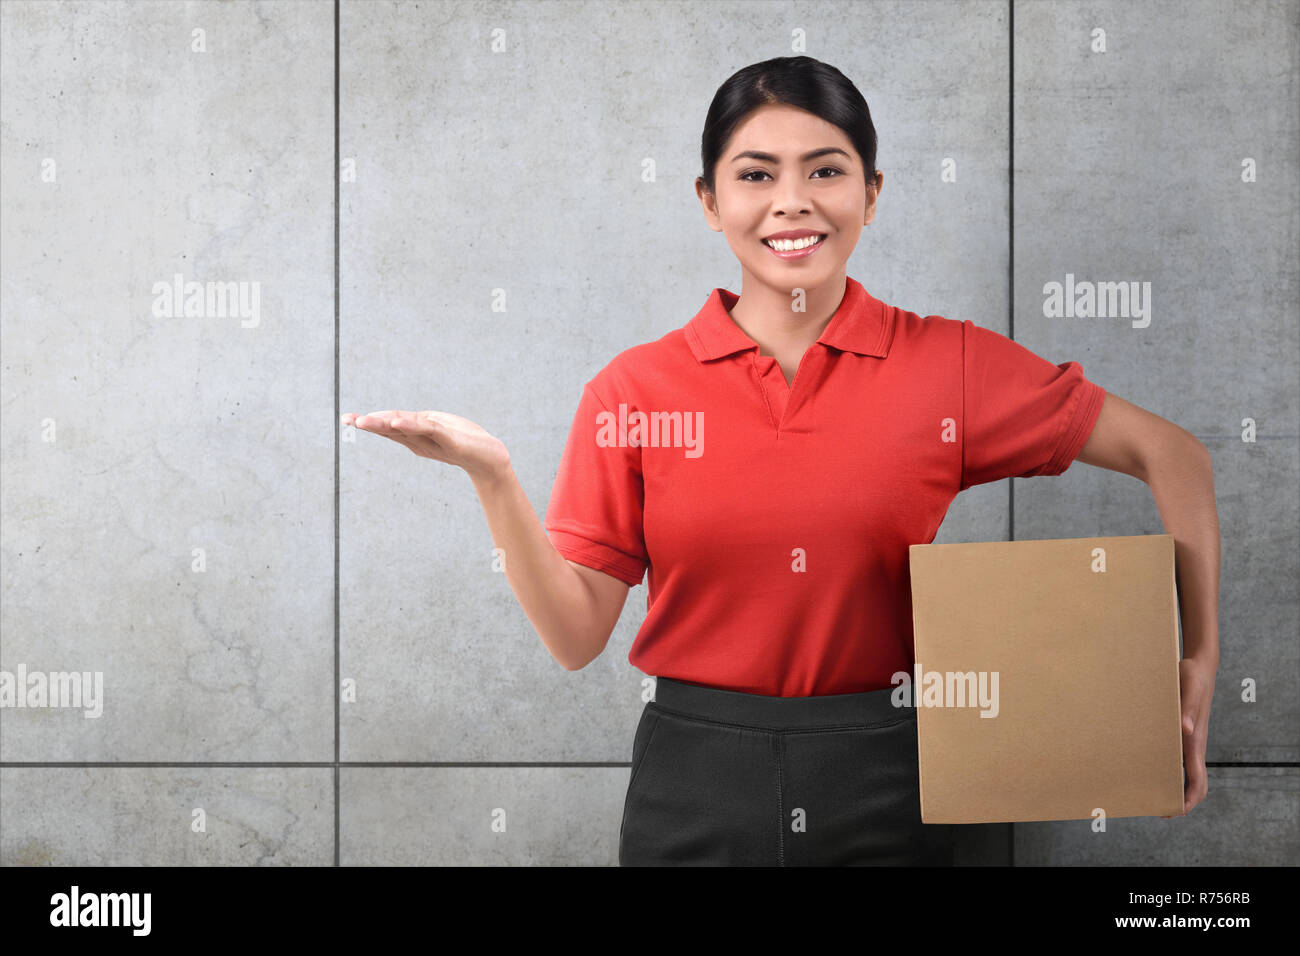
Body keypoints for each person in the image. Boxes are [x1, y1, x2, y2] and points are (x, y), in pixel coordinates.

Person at [342, 56, 1220, 866]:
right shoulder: (634, 390)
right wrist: (493, 475)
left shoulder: (947, 365)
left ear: (872, 195)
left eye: (826, 170)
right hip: (696, 781)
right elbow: (577, 639)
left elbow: (1172, 455)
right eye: (756, 174)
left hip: (908, 774)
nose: (791, 201)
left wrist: (1194, 665)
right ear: (709, 200)